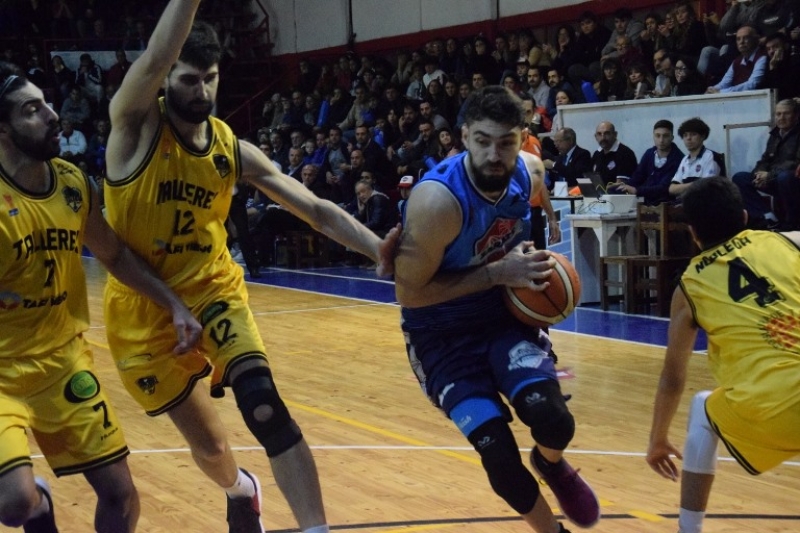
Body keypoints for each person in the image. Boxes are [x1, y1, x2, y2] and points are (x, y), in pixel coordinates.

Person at [101, 3, 397, 533]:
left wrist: (380, 250)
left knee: (264, 407)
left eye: (210, 79)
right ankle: (241, 488)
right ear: (165, 80)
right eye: (188, 80)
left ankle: (315, 528)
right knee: (211, 447)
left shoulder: (230, 149)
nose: (202, 91)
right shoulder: (135, 129)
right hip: (141, 308)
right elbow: (156, 52)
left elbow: (316, 208)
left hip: (214, 292)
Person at [0, 62, 201, 533]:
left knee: (121, 495)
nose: (52, 115)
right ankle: (38, 507)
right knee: (15, 503)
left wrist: (174, 303)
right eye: (33, 110)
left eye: (48, 103)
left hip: (63, 363)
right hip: (1, 374)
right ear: (3, 130)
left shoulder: (72, 184)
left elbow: (115, 255)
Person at [394, 86, 600, 533]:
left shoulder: (529, 171)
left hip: (503, 318)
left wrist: (532, 248)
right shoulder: (437, 203)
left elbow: (531, 202)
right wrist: (494, 273)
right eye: (483, 141)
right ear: (464, 137)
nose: (494, 153)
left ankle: (551, 465)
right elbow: (408, 294)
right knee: (500, 459)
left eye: (505, 142)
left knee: (553, 419)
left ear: (522, 139)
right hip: (441, 335)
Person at [646, 176, 800, 533]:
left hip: (776, 409)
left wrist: (657, 439)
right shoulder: (787, 242)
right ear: (745, 217)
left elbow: (672, 378)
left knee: (703, 407)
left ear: (692, 233)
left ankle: (689, 528)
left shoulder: (690, 286)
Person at [731, 99, 800, 231]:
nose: (781, 118)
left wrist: (769, 175)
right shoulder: (775, 134)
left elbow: (795, 164)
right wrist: (759, 174)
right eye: (778, 114)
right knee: (739, 178)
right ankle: (768, 217)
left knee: (785, 177)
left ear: (796, 115)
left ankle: (792, 222)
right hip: (774, 178)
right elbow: (765, 159)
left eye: (786, 114)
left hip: (791, 180)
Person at [608, 120, 684, 205]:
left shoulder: (678, 158)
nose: (661, 140)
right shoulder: (650, 153)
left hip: (664, 202)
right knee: (613, 191)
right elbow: (637, 177)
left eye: (665, 136)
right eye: (657, 136)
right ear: (653, 136)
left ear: (672, 137)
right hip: (644, 199)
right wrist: (623, 187)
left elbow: (664, 188)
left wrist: (636, 190)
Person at [669, 118, 722, 198]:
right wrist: (695, 184)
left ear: (703, 136)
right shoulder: (684, 160)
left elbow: (707, 186)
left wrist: (683, 187)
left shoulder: (710, 156)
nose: (688, 138)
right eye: (685, 135)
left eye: (693, 134)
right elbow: (672, 188)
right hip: (687, 202)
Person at [590, 121, 638, 186]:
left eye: (606, 133)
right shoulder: (597, 154)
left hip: (618, 195)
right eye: (599, 134)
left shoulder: (625, 153)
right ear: (595, 137)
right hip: (599, 195)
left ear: (615, 134)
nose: (603, 138)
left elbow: (621, 184)